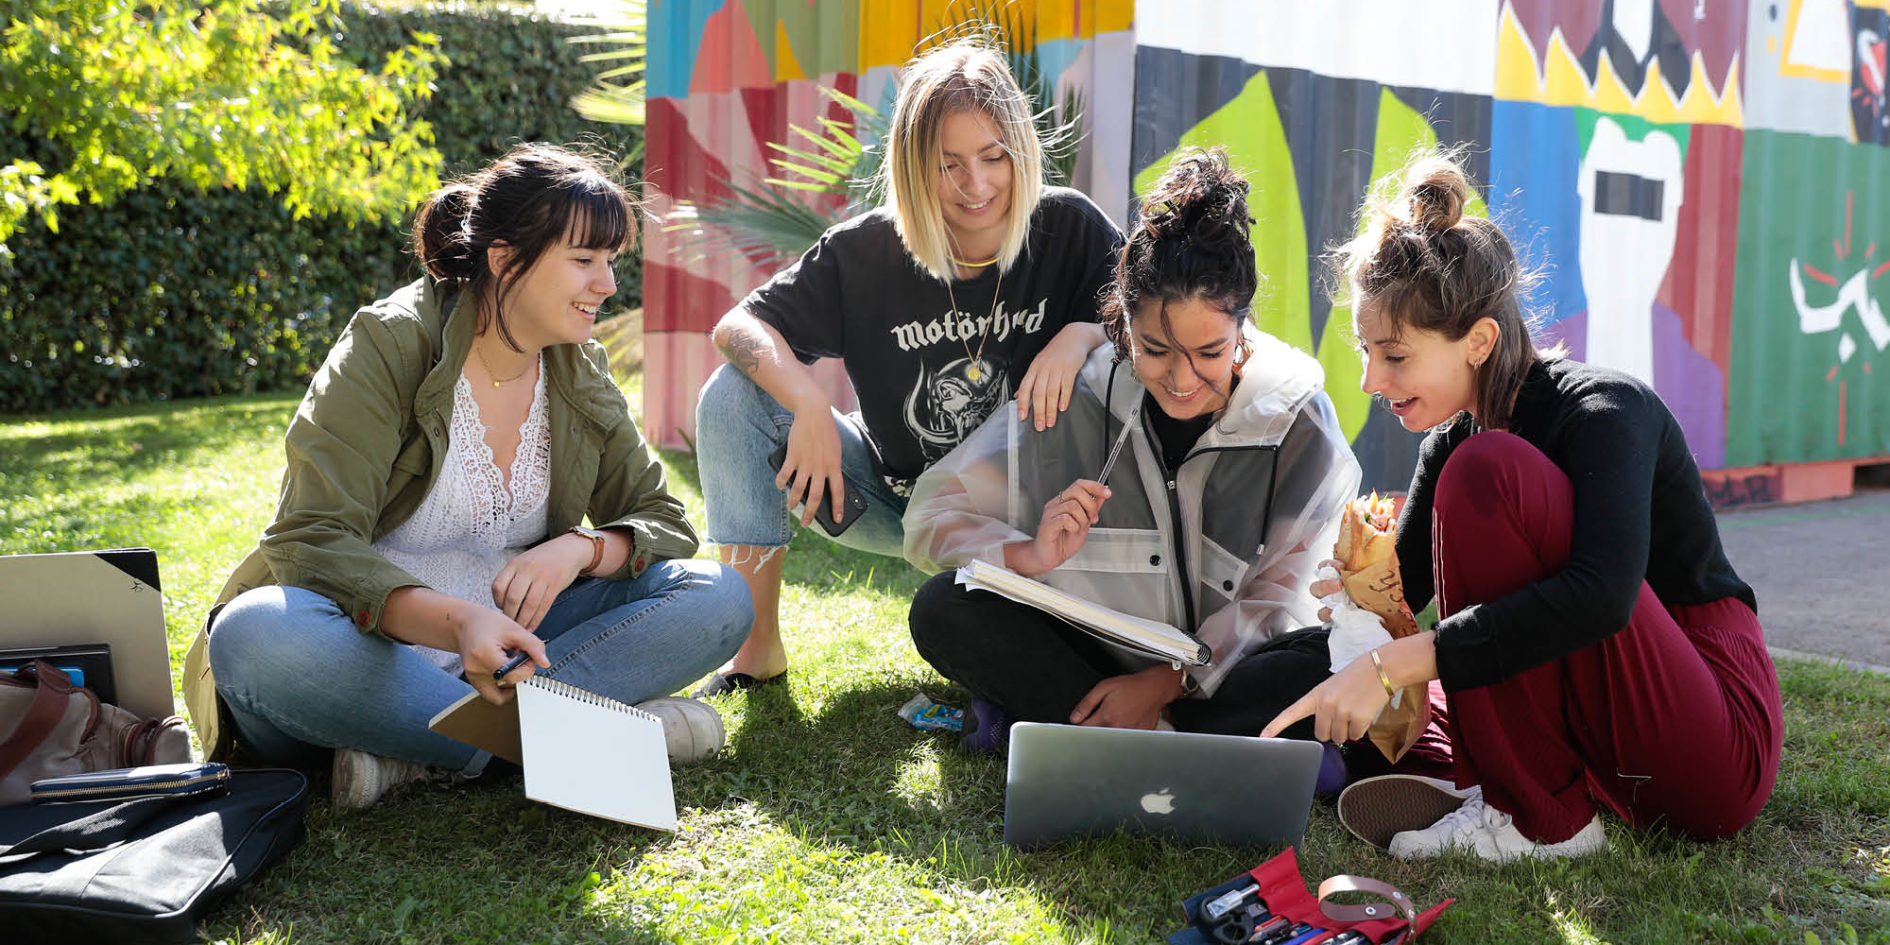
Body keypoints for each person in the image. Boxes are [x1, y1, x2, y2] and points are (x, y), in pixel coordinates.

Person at [188, 144, 754, 809]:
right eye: (583, 260)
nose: (606, 285)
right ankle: (571, 738)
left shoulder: (577, 366)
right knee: (254, 634)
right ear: (505, 258)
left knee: (719, 595)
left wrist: (582, 548)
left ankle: (423, 756)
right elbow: (310, 538)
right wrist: (458, 625)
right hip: (366, 650)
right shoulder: (389, 342)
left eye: (611, 262)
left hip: (517, 651)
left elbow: (661, 516)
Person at [1263, 150, 1783, 862]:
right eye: (1365, 353)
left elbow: (1601, 597)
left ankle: (1540, 819)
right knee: (1387, 670)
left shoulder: (1606, 410)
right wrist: (1358, 602)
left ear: (1478, 341)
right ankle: (1518, 788)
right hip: (1598, 723)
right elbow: (1402, 606)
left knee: (1489, 472)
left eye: (1394, 356)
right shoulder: (1452, 445)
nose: (1369, 380)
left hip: (1710, 735)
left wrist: (1390, 667)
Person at [692, 39, 1123, 695]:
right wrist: (808, 405)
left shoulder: (1071, 227)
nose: (975, 185)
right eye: (948, 164)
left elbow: (1152, 330)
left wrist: (1083, 333)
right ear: (912, 166)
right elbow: (738, 326)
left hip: (1032, 511)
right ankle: (756, 652)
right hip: (893, 496)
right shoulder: (866, 249)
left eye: (992, 157)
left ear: (1021, 153)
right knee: (732, 397)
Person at [903, 147, 1360, 757]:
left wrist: (1167, 683)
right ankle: (1205, 753)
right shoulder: (1077, 394)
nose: (1181, 379)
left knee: (1322, 658)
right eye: (1154, 349)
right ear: (1121, 323)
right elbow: (931, 516)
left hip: (1225, 675)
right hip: (1096, 660)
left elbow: (1282, 603)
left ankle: (1078, 734)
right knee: (943, 610)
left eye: (1210, 352)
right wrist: (1030, 553)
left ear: (1242, 329)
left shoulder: (1297, 421)